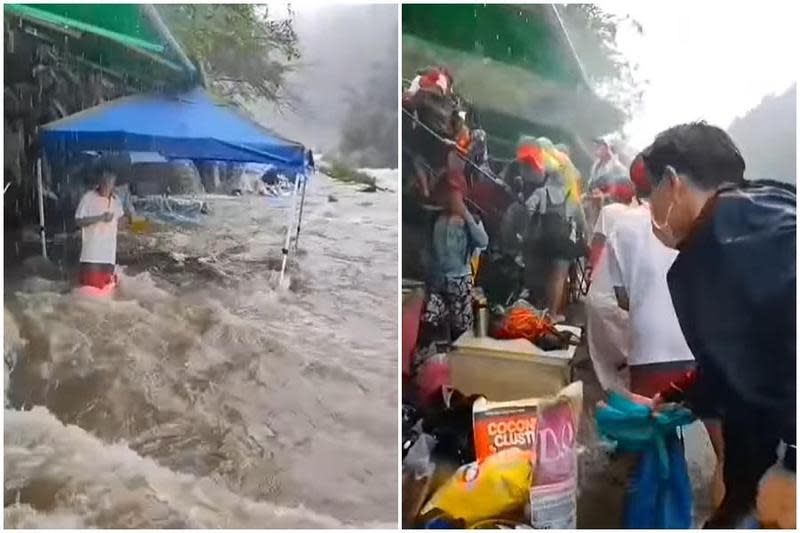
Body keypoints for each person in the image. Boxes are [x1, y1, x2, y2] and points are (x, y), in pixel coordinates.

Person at [637, 122, 795, 528]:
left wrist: (792, 464)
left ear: (672, 183)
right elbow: (752, 353)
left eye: (648, 194)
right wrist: (681, 394)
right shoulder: (766, 209)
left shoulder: (726, 240)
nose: (648, 209)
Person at [605, 155, 725, 511]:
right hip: (699, 345)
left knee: (652, 438)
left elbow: (621, 297)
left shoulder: (622, 225)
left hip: (650, 348)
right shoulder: (700, 220)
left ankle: (655, 512)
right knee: (726, 452)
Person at [421, 194, 489, 343]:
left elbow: (483, 242)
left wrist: (466, 215)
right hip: (443, 281)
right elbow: (427, 251)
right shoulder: (435, 219)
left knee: (458, 331)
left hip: (457, 281)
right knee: (435, 326)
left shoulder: (470, 219)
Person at [524, 168, 588, 323]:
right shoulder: (572, 196)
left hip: (543, 241)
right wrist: (583, 237)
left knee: (544, 276)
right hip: (563, 243)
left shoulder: (541, 192)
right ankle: (552, 314)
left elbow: (528, 207)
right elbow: (582, 223)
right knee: (558, 278)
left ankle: (540, 311)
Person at [74, 168, 131, 290]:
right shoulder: (88, 198)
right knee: (89, 292)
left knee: (106, 293)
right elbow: (79, 221)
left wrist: (127, 220)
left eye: (109, 184)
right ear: (99, 182)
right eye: (104, 183)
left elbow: (120, 222)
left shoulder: (116, 201)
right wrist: (100, 218)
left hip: (109, 256)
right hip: (92, 255)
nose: (106, 186)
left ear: (113, 185)